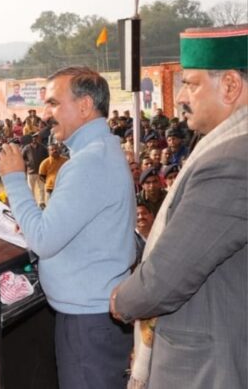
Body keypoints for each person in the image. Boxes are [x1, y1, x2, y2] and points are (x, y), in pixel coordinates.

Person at [110, 25, 248, 388]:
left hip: (207, 366)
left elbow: (164, 279)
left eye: (191, 84)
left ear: (230, 85)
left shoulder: (232, 162)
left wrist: (123, 300)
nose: (182, 96)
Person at [0, 66, 134, 389]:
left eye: (54, 103)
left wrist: (14, 178)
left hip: (88, 324)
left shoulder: (89, 162)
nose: (45, 114)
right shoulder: (99, 152)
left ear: (85, 106)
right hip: (94, 317)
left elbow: (43, 240)